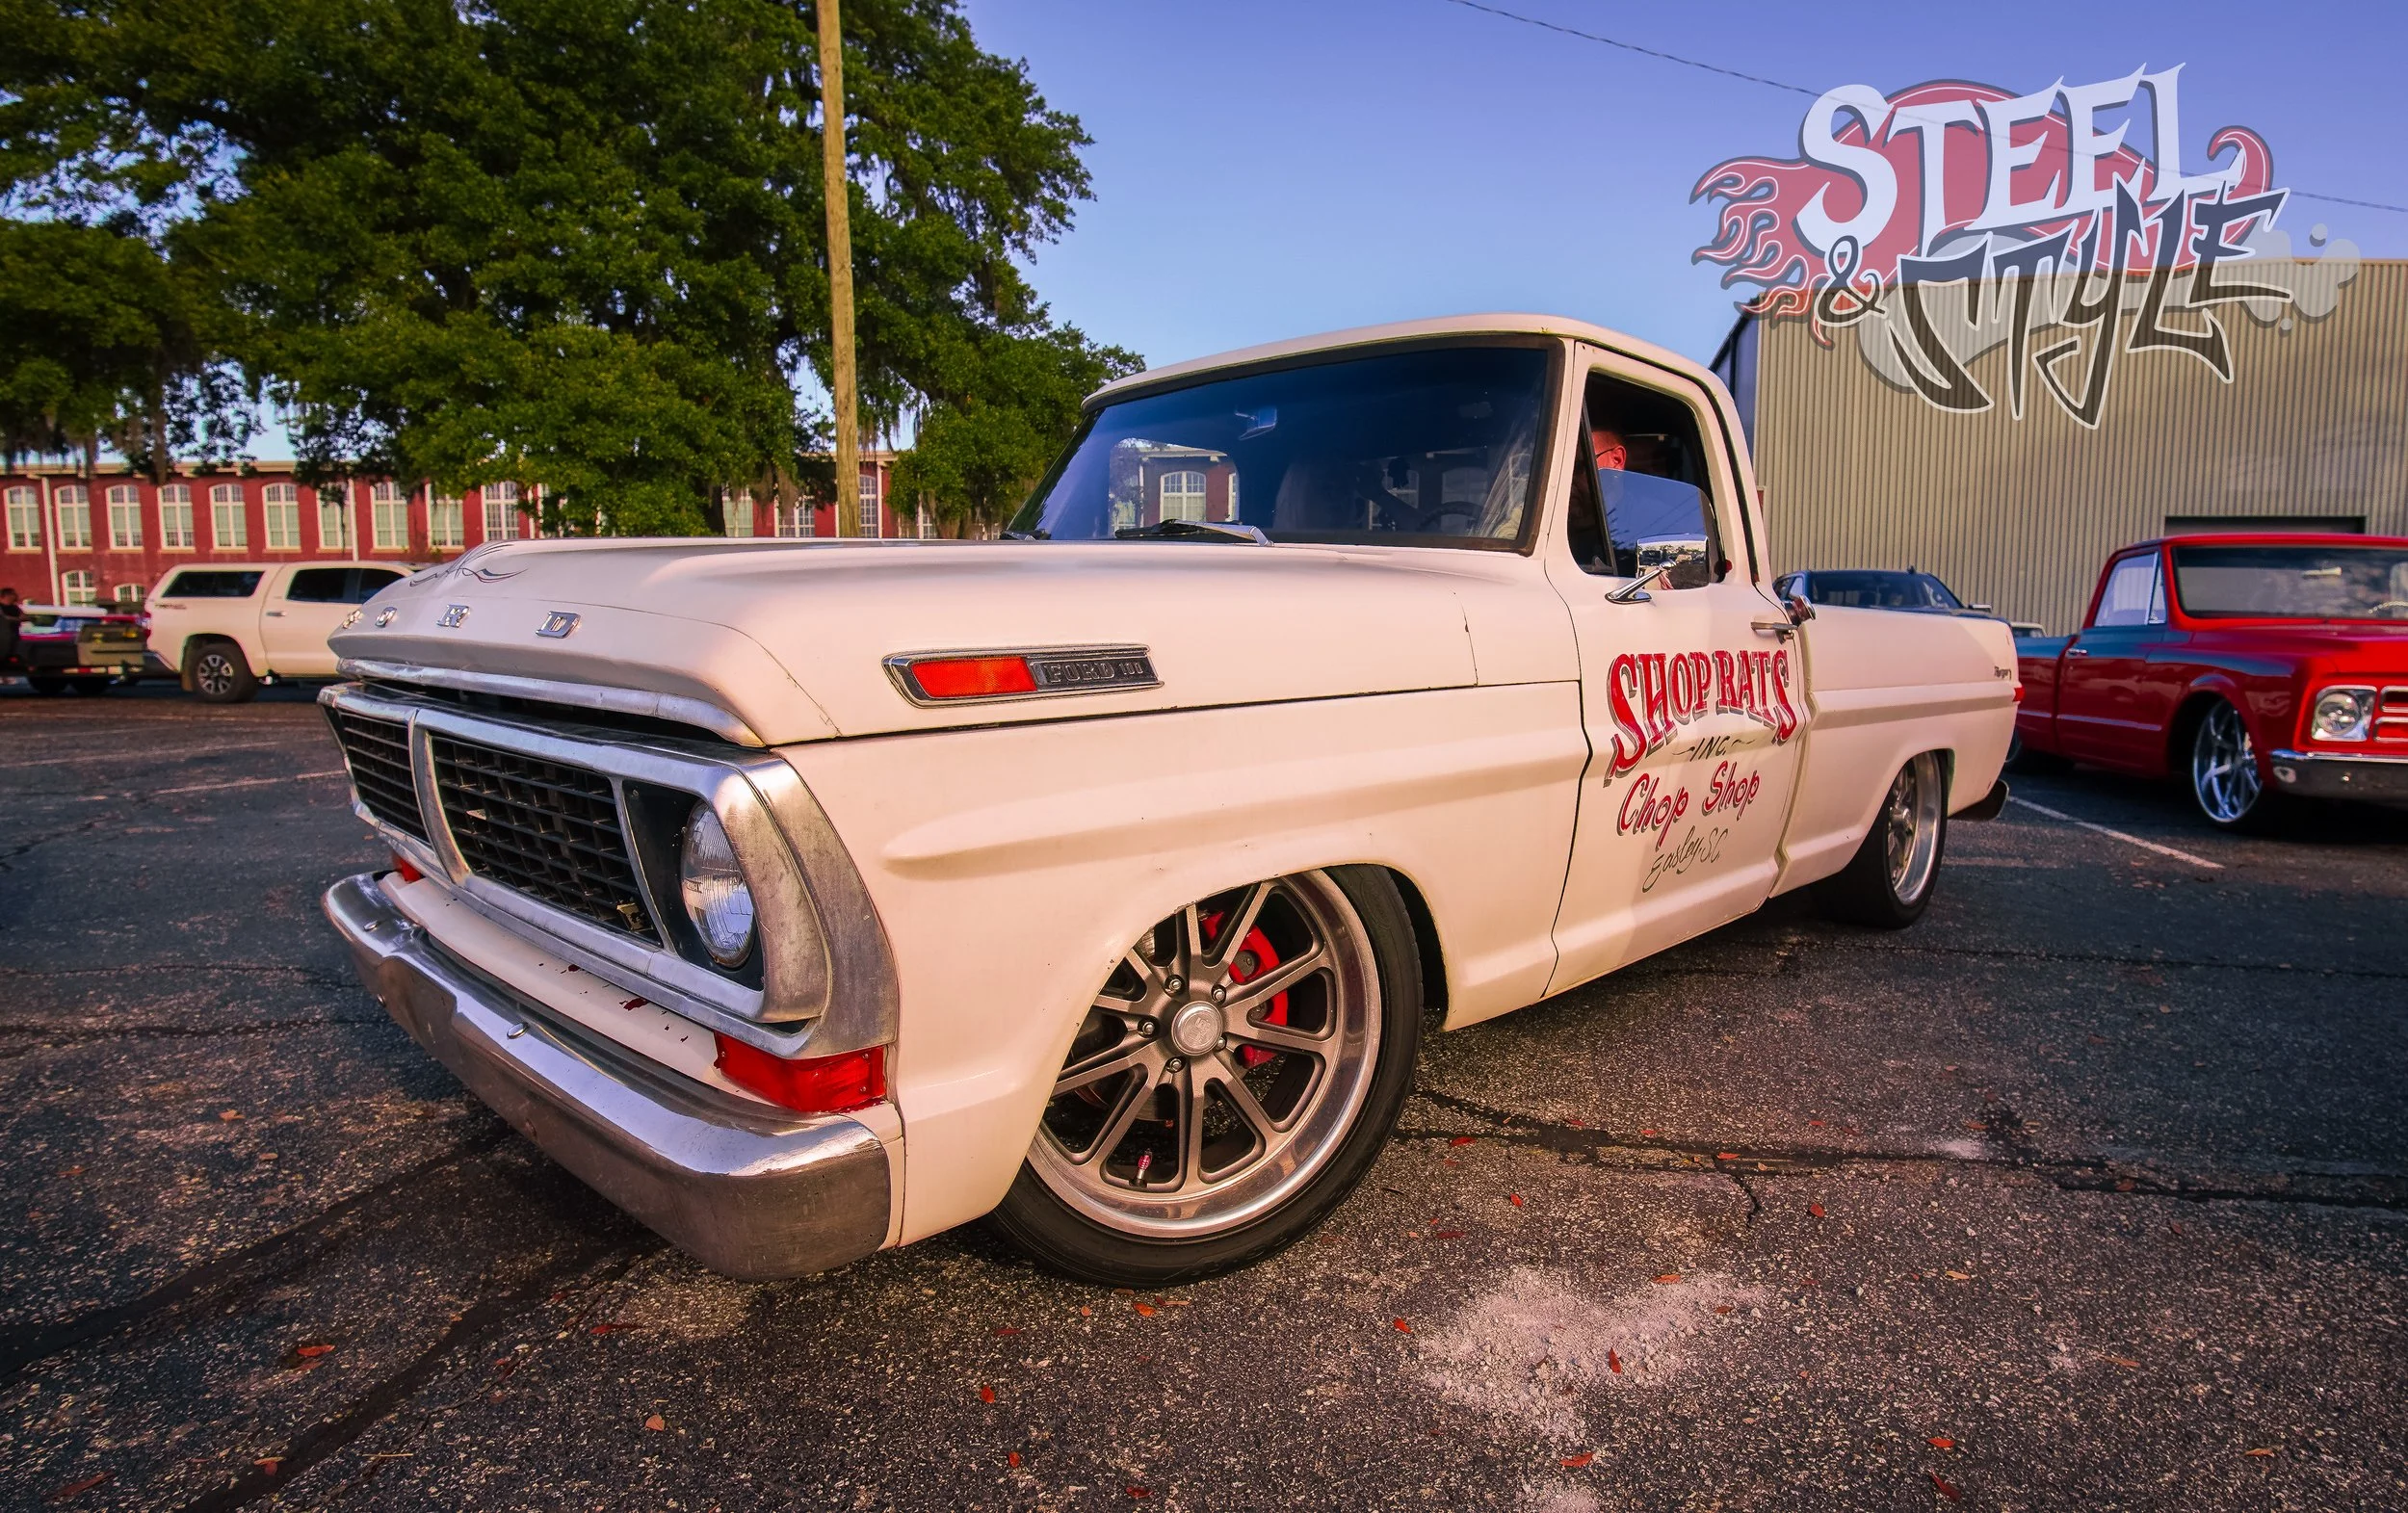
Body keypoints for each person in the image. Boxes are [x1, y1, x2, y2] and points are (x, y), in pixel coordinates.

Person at [0, 586, 21, 670]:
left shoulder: (15, 608)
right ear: (7, 595)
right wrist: (16, 619)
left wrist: (9, 618)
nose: (16, 596)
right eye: (13, 594)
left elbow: (25, 618)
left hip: (13, 636)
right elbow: (3, 618)